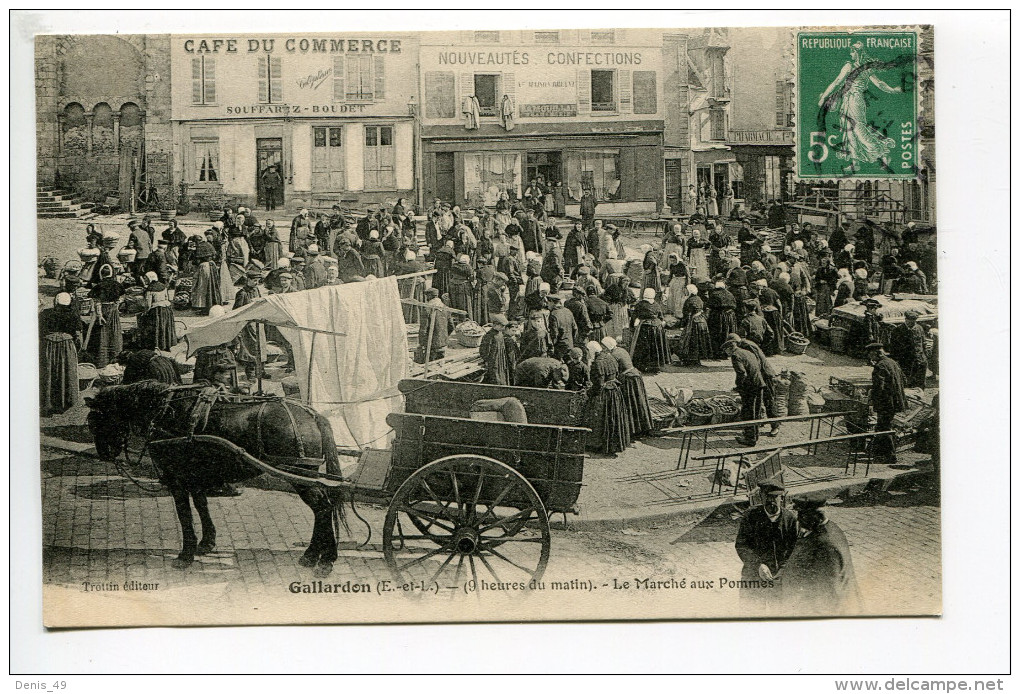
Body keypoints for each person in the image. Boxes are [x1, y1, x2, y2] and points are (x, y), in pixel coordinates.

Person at [780, 497, 862, 614]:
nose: (798, 519)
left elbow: (828, 588)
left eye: (802, 515)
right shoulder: (829, 528)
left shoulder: (825, 544)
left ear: (816, 516)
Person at [734, 481, 798, 611]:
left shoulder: (790, 519)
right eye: (767, 497)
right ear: (761, 496)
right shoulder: (750, 516)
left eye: (775, 497)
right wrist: (758, 565)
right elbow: (741, 545)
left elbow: (795, 549)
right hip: (754, 574)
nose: (771, 501)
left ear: (782, 497)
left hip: (781, 577)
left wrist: (783, 569)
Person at [39, 293, 83, 416]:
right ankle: (65, 402)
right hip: (66, 345)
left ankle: (48, 402)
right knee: (66, 371)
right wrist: (77, 348)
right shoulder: (73, 315)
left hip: (48, 345)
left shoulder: (45, 313)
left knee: (49, 372)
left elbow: (39, 331)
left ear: (55, 302)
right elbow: (78, 336)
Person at [585, 341, 631, 454]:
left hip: (604, 394)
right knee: (614, 418)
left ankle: (598, 445)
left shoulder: (598, 363)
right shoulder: (610, 357)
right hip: (615, 391)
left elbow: (599, 384)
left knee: (600, 420)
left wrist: (589, 393)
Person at [603, 336, 652, 438]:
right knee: (639, 402)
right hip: (635, 376)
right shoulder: (621, 350)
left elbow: (614, 371)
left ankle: (633, 429)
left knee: (630, 403)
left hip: (628, 380)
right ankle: (644, 427)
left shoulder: (613, 355)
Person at [866, 342, 907, 463]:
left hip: (886, 403)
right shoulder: (892, 362)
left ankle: (891, 456)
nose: (869, 357)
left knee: (884, 428)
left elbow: (880, 388)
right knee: (882, 426)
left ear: (876, 353)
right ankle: (876, 451)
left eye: (870, 354)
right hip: (896, 401)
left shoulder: (880, 366)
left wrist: (872, 398)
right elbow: (904, 379)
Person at [724, 336, 766, 447]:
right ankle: (755, 435)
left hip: (750, 387)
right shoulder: (747, 352)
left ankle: (750, 439)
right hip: (759, 383)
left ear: (730, 348)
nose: (726, 353)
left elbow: (742, 373)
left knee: (748, 412)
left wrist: (739, 386)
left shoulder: (735, 355)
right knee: (756, 411)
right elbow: (758, 365)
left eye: (726, 351)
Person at [630, 288, 670, 373]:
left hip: (646, 328)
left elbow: (634, 317)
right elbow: (661, 317)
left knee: (645, 347)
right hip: (657, 327)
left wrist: (632, 327)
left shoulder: (640, 305)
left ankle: (644, 365)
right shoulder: (656, 304)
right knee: (656, 346)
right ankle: (656, 365)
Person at [137, 271, 176, 351]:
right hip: (167, 308)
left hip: (157, 310)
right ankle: (166, 344)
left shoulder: (150, 289)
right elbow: (166, 298)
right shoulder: (163, 286)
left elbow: (148, 304)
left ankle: (156, 345)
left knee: (155, 327)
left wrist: (145, 312)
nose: (145, 280)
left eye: (146, 278)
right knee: (165, 326)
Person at [888, 310, 928, 388]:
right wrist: (895, 360)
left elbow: (923, 343)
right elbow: (893, 347)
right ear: (906, 319)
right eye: (910, 321)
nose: (912, 323)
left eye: (914, 321)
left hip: (919, 360)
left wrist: (925, 356)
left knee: (920, 381)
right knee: (906, 382)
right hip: (905, 361)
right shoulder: (897, 330)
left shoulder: (919, 328)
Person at [676, 284, 711, 366]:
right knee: (699, 340)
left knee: (690, 341)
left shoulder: (689, 301)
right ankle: (697, 358)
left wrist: (683, 325)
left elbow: (686, 314)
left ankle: (691, 359)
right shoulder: (699, 299)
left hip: (693, 322)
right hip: (702, 321)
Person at [418, 288, 452, 362]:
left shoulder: (427, 309)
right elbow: (451, 326)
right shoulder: (446, 308)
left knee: (431, 363)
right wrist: (444, 335)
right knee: (440, 362)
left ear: (430, 296)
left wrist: (421, 343)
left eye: (427, 296)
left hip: (431, 343)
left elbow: (423, 329)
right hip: (443, 342)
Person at [707, 280, 738, 359]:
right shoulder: (730, 294)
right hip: (730, 316)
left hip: (719, 316)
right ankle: (728, 352)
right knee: (728, 333)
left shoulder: (714, 294)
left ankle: (718, 352)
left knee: (717, 333)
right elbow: (734, 305)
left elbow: (709, 305)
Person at [116, 348, 182, 385]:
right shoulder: (141, 352)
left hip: (157, 368)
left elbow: (127, 383)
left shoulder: (131, 365)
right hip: (165, 363)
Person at [479, 315, 512, 386]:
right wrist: (487, 360)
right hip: (494, 362)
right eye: (502, 326)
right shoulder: (489, 336)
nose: (503, 328)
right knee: (495, 378)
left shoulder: (500, 334)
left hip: (501, 361)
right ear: (495, 325)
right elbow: (483, 350)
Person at [546, 293, 578, 361]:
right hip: (570, 344)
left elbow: (554, 334)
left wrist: (551, 347)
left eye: (548, 302)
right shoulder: (568, 311)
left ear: (552, 302)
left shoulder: (553, 315)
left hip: (559, 347)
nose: (547, 305)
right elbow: (575, 328)